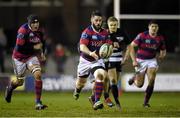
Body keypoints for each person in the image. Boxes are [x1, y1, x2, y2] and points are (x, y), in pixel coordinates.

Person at [5, 14, 47, 110]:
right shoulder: (22, 31)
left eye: (37, 22)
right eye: (33, 23)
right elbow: (20, 48)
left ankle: (38, 103)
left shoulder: (40, 31)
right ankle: (10, 88)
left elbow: (42, 43)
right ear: (29, 23)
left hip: (31, 57)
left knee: (38, 74)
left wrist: (42, 53)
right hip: (19, 58)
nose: (36, 24)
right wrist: (33, 47)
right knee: (19, 82)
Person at [88, 16, 131, 110]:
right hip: (108, 59)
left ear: (117, 25)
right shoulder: (104, 33)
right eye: (111, 25)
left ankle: (94, 97)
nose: (113, 26)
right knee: (111, 80)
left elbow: (129, 44)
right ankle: (114, 101)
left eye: (115, 25)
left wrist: (126, 56)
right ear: (108, 25)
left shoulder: (121, 32)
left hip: (118, 59)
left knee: (113, 81)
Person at [73, 10, 112, 110]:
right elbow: (82, 47)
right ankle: (77, 90)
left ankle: (97, 101)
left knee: (100, 76)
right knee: (80, 83)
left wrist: (110, 48)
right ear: (91, 20)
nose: (98, 22)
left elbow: (108, 45)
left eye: (100, 20)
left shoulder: (105, 33)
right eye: (96, 20)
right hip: (85, 61)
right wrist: (91, 53)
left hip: (97, 61)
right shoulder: (87, 32)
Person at [128, 20, 166, 107]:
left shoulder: (160, 38)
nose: (154, 28)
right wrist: (134, 60)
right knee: (140, 85)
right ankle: (134, 79)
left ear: (158, 28)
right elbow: (131, 46)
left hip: (151, 60)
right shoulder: (142, 35)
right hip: (140, 60)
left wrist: (161, 56)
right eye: (152, 26)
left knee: (152, 79)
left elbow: (163, 50)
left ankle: (146, 102)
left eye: (156, 27)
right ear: (149, 27)